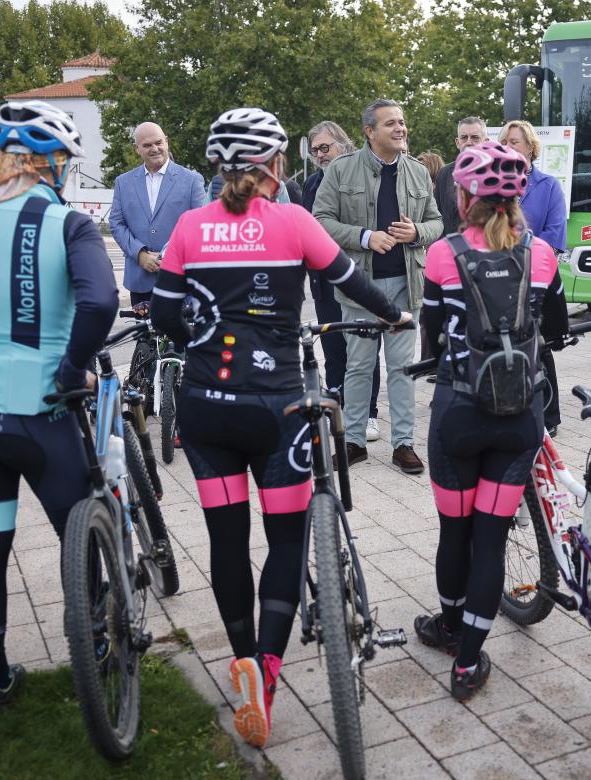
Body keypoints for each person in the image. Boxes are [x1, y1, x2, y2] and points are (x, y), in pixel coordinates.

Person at [150, 107, 410, 748]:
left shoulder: (189, 225)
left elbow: (164, 317)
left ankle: (240, 663)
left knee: (226, 540)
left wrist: (205, 343)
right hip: (280, 410)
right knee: (286, 540)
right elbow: (353, 282)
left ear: (220, 167)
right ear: (273, 166)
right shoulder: (293, 220)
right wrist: (398, 320)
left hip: (208, 410)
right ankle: (267, 672)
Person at [0, 100, 118, 709]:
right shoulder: (65, 220)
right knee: (79, 533)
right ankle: (94, 651)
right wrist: (69, 372)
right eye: (64, 159)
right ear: (48, 161)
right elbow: (98, 304)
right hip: (36, 409)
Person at [413, 140, 568, 701]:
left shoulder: (442, 254)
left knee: (454, 532)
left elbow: (431, 332)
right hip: (518, 415)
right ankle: (469, 664)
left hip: (457, 412)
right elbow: (552, 328)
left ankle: (449, 627)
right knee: (492, 538)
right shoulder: (542, 253)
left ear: (462, 196)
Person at [312, 99, 443, 474]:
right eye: (391, 124)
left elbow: (437, 222)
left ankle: (403, 445)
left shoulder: (418, 171)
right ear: (369, 131)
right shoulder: (340, 170)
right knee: (359, 367)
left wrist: (418, 232)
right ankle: (353, 443)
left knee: (402, 368)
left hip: (406, 285)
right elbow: (319, 221)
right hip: (359, 287)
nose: (400, 129)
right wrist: (365, 237)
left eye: (402, 122)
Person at [300, 121, 383, 442]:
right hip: (323, 279)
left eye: (326, 147)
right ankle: (339, 406)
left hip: (357, 274)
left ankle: (370, 412)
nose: (320, 154)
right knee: (333, 347)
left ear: (344, 145)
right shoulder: (310, 184)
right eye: (316, 149)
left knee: (363, 347)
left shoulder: (361, 176)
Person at [499, 119, 568, 435]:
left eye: (516, 141)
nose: (510, 146)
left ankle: (548, 415)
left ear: (530, 147)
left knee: (539, 346)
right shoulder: (494, 185)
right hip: (499, 275)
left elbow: (555, 233)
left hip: (536, 275)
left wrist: (530, 260)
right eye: (506, 141)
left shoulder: (548, 186)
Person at [109, 122, 206, 307]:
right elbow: (116, 223)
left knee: (181, 336)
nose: (154, 149)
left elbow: (199, 226)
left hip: (180, 280)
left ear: (167, 142)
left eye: (158, 142)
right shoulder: (123, 182)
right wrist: (140, 254)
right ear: (136, 148)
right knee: (144, 336)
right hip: (139, 280)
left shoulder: (192, 180)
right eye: (147, 145)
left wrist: (169, 255)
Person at [434, 116, 489, 237]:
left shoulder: (495, 173)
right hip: (451, 249)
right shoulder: (445, 174)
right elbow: (436, 217)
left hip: (487, 249)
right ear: (457, 142)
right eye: (464, 138)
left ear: (486, 142)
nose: (469, 142)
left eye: (475, 138)